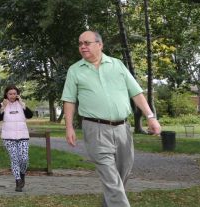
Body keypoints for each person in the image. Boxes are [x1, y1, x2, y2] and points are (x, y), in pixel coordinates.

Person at [62, 31, 161, 207]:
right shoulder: (75, 70)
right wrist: (69, 127)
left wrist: (150, 117)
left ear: (100, 45)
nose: (82, 46)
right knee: (111, 178)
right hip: (95, 129)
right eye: (80, 43)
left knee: (121, 175)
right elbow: (69, 100)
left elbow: (136, 93)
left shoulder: (117, 65)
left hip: (123, 128)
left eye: (87, 42)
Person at [0, 85, 33, 192]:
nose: (12, 96)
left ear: (17, 94)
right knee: (15, 159)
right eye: (10, 94)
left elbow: (30, 115)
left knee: (24, 158)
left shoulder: (21, 104)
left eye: (14, 93)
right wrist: (2, 107)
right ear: (6, 95)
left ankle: (22, 174)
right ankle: (18, 181)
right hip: (8, 137)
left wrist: (23, 105)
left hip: (23, 136)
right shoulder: (3, 105)